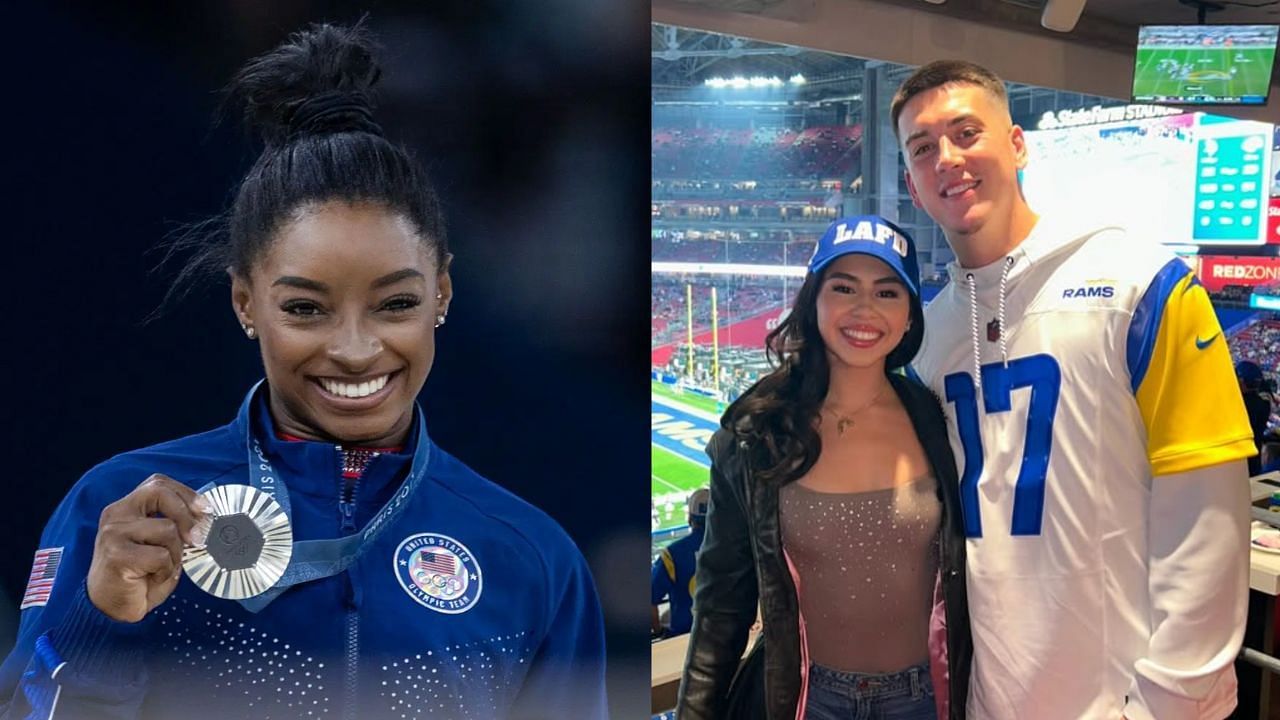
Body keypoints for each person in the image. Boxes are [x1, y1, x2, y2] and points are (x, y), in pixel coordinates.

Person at [0, 24, 606, 720]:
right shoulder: (116, 512)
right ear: (245, 304)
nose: (353, 349)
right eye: (305, 308)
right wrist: (101, 619)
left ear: (442, 295)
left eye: (396, 304)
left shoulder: (532, 560)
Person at [894, 59, 1253, 720]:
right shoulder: (929, 338)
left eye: (967, 132)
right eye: (922, 148)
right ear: (914, 187)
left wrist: (1166, 705)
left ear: (1018, 143)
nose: (946, 156)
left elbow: (1207, 518)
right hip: (988, 699)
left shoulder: (1141, 283)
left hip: (1122, 700)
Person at [678, 215, 971, 720]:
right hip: (807, 700)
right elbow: (721, 606)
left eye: (887, 293)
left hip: (926, 699)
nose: (864, 310)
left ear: (909, 315)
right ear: (813, 300)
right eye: (843, 288)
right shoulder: (753, 436)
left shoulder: (937, 419)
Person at [651, 489, 709, 639]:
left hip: (684, 638)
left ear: (690, 518)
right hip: (729, 637)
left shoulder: (673, 554)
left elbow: (649, 600)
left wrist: (658, 632)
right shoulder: (735, 548)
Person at [1238, 360, 1273, 476]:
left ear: (1241, 381)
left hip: (1239, 459)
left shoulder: (1237, 405)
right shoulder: (1263, 404)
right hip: (1254, 457)